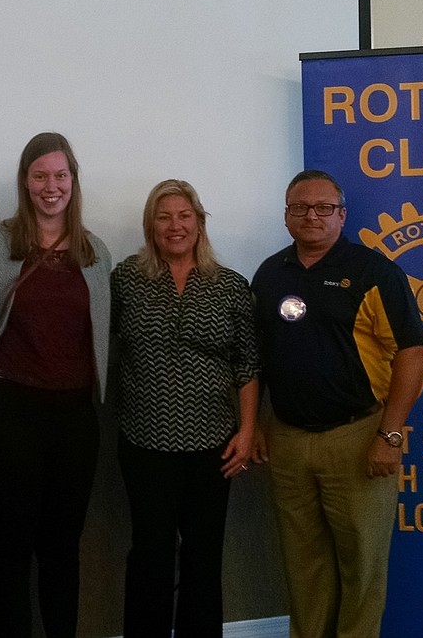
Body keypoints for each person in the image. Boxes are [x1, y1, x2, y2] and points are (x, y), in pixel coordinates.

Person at [251, 170, 423, 638]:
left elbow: (413, 353)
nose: (311, 216)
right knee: (303, 567)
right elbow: (257, 356)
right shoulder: (269, 274)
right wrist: (257, 425)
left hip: (357, 439)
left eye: (323, 207)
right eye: (299, 208)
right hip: (287, 440)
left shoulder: (375, 272)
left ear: (342, 215)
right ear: (286, 216)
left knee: (361, 566)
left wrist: (389, 436)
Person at [0, 132, 111, 638]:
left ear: (73, 180)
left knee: (61, 548)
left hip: (74, 419)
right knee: (9, 547)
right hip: (7, 412)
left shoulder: (96, 253)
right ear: (25, 182)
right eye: (39, 176)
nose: (51, 187)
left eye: (60, 176)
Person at [110, 179, 261, 638]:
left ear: (199, 221)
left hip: (214, 443)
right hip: (144, 441)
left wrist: (248, 430)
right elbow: (99, 346)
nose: (175, 226)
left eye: (184, 215)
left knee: (203, 554)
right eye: (163, 216)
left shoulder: (230, 286)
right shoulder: (125, 279)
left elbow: (247, 365)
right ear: (150, 226)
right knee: (150, 554)